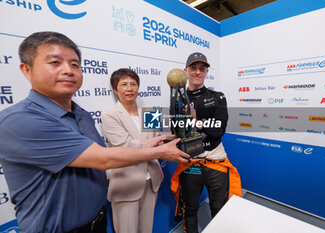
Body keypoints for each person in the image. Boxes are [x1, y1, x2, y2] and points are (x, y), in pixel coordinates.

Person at [0, 31, 189, 233]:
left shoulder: (85, 115)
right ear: (27, 70)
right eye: (55, 62)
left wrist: (159, 143)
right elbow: (112, 152)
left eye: (74, 65)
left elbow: (151, 139)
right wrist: (157, 150)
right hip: (124, 182)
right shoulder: (21, 120)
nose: (68, 71)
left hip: (139, 188)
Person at [170, 52, 242, 233]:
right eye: (193, 68)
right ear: (186, 71)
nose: (197, 72)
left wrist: (196, 123)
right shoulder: (178, 100)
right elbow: (176, 133)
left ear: (206, 72)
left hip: (216, 161)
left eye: (202, 68)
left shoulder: (218, 97)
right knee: (190, 209)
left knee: (219, 209)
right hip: (190, 163)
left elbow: (218, 131)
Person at [101, 68, 164, 233]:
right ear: (115, 89)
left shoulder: (150, 112)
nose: (129, 88)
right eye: (124, 84)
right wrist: (153, 145)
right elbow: (124, 147)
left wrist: (161, 145)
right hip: (126, 181)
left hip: (151, 180)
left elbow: (157, 140)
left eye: (133, 84)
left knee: (146, 228)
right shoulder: (110, 114)